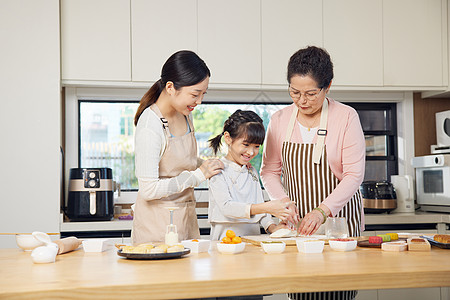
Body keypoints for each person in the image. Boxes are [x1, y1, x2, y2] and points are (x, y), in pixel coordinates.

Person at [260, 46, 365, 300]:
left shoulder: (346, 117)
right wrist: (284, 204)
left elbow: (353, 175)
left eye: (310, 93)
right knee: (300, 290)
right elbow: (269, 171)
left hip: (339, 224)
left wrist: (322, 211)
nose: (302, 101)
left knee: (337, 290)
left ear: (327, 86)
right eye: (294, 92)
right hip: (297, 228)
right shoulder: (279, 119)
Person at [132, 50, 224, 245]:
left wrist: (207, 166)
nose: (199, 101)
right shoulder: (151, 126)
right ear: (171, 87)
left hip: (185, 219)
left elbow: (182, 162)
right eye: (195, 94)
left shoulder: (185, 114)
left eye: (203, 94)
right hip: (156, 228)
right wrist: (198, 175)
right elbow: (148, 190)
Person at [207, 110, 297, 241]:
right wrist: (266, 207)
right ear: (228, 138)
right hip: (225, 242)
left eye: (256, 146)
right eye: (246, 144)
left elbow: (260, 206)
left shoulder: (251, 171)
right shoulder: (217, 169)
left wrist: (273, 227)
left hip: (253, 241)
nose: (251, 152)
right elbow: (227, 208)